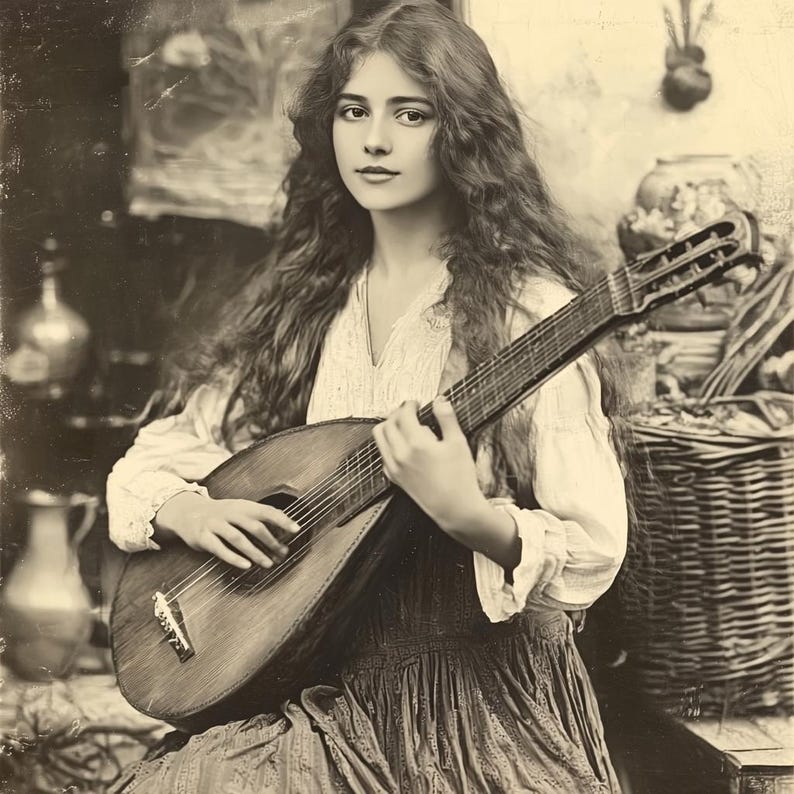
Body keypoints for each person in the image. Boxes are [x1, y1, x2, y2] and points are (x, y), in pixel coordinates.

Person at [107, 1, 629, 791]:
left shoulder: (529, 310)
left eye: (410, 113)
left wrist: (468, 515)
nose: (374, 140)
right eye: (354, 111)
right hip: (323, 680)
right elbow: (155, 460)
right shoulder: (310, 302)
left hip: (472, 704)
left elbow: (594, 546)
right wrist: (191, 510)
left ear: (461, 133)